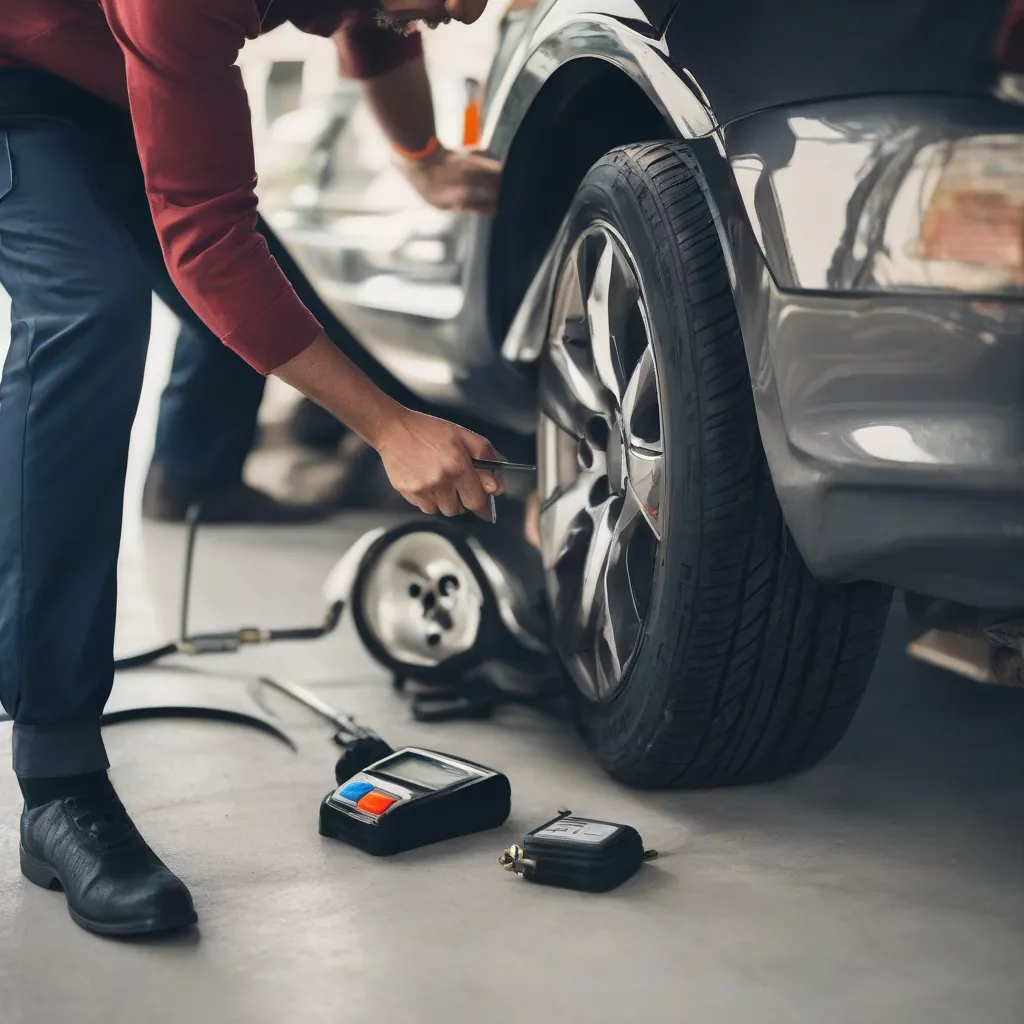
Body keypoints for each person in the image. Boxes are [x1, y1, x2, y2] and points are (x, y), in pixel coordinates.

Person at [0, 0, 504, 937]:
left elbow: (380, 15)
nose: (468, 8)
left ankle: (192, 471)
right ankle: (58, 778)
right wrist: (389, 428)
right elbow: (206, 238)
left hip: (112, 74)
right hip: (16, 74)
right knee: (91, 312)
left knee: (280, 306)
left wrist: (427, 157)